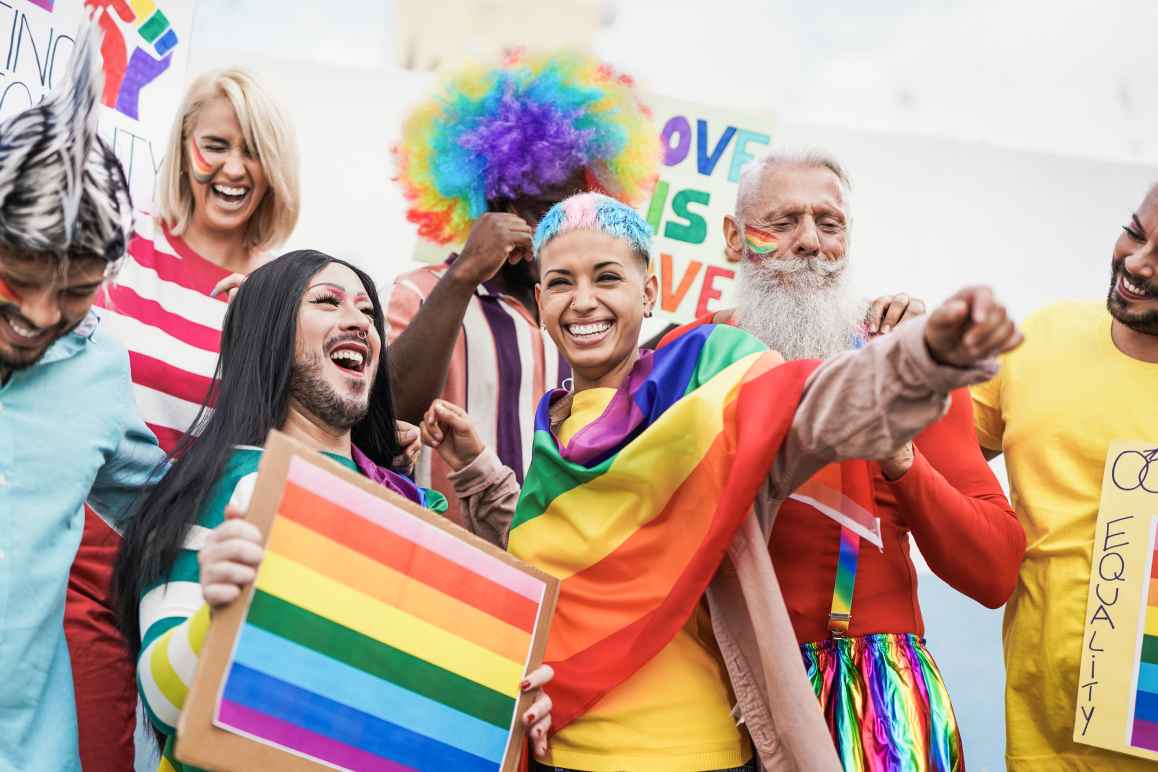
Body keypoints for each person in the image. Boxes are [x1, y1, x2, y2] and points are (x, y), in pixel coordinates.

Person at [420, 192, 1023, 771]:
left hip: (691, 753)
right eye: (560, 282)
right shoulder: (552, 422)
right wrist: (479, 470)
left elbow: (816, 408)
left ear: (649, 290)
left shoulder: (706, 388)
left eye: (607, 278)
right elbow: (563, 556)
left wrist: (918, 361)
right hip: (561, 749)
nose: (583, 301)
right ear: (541, 299)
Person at [113, 250, 553, 772]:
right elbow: (165, 706)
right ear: (271, 332)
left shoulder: (416, 511)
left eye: (369, 312)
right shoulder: (225, 487)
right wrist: (217, 615)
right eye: (328, 301)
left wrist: (510, 709)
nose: (360, 321)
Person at [697, 150, 1025, 770]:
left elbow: (995, 572)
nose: (810, 242)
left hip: (870, 697)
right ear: (736, 238)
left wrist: (901, 458)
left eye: (829, 222)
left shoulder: (903, 363)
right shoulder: (689, 361)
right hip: (715, 688)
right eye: (783, 221)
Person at [63, 66, 303, 769]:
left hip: (175, 576)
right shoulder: (119, 246)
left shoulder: (283, 294)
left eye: (252, 149)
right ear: (184, 147)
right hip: (68, 550)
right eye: (215, 145)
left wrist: (269, 326)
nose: (232, 168)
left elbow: (287, 447)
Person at [387, 49, 660, 524]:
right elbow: (389, 414)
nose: (563, 229)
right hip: (437, 565)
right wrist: (464, 275)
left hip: (555, 568)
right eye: (545, 210)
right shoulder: (422, 293)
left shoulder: (588, 317)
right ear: (494, 202)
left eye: (578, 209)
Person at [0, 21, 166, 770]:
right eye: (15, 282)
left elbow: (162, 509)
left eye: (71, 292)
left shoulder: (100, 361)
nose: (37, 317)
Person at [972, 182, 1158, 770]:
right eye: (1135, 231)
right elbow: (928, 459)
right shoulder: (1041, 338)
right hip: (1039, 736)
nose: (1136, 262)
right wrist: (901, 349)